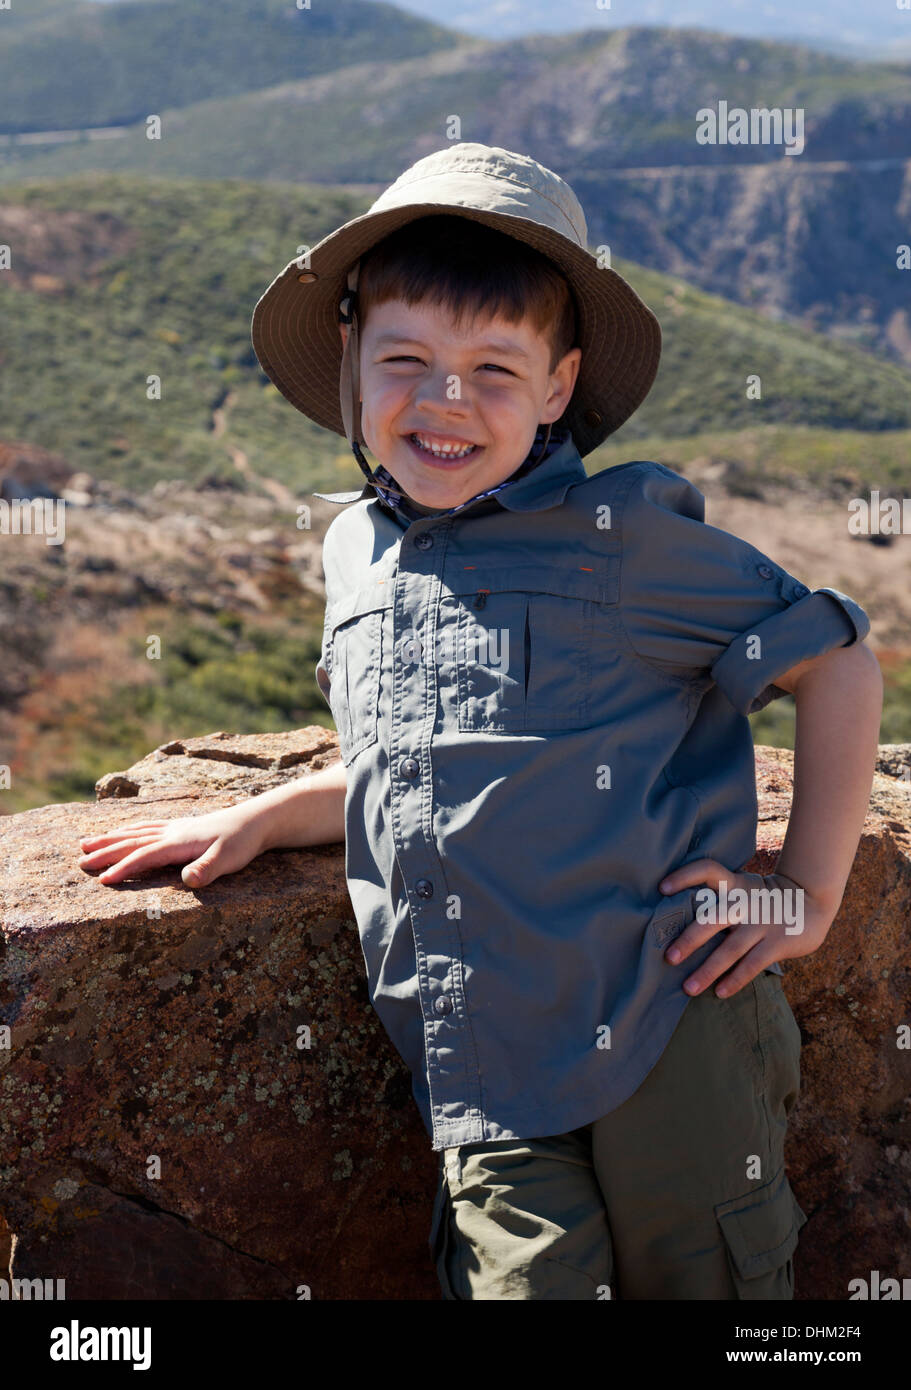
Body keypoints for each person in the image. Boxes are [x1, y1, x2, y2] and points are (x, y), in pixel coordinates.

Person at [79, 143, 883, 1300]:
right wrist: (273, 812)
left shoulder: (625, 532)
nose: (445, 399)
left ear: (557, 389)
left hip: (667, 1013)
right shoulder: (352, 552)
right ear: (352, 365)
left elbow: (836, 653)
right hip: (474, 1050)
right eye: (405, 358)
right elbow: (412, 765)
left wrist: (803, 894)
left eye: (493, 370)